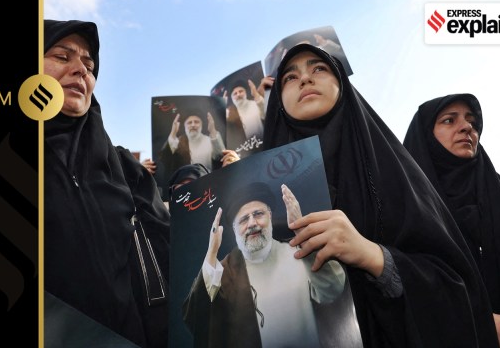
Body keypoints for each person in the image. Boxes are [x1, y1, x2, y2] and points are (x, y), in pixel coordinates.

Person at [262, 43, 499, 347]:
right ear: (278, 100)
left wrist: (372, 256)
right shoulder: (266, 195)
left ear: (342, 84)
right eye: (290, 78)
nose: (305, 79)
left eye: (318, 68)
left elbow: (457, 289)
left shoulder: (394, 172)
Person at [43, 19, 170, 348]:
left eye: (89, 65)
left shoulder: (126, 168)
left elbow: (172, 245)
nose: (80, 71)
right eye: (61, 56)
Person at [403, 93, 500, 347]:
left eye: (472, 122)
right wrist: (483, 327)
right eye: (448, 120)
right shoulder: (403, 208)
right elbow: (401, 282)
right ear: (424, 136)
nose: (467, 127)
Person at [182, 181, 350, 348]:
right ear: (234, 230)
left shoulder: (299, 253)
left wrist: (302, 234)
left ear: (270, 216)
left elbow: (333, 290)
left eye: (258, 214)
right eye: (243, 220)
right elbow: (197, 319)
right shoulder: (226, 273)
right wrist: (212, 252)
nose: (252, 223)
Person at [160, 109, 225, 173]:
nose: (193, 125)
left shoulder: (210, 140)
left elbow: (220, 157)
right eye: (189, 123)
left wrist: (212, 130)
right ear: (185, 126)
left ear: (201, 125)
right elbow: (164, 158)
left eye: (196, 122)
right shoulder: (178, 142)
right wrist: (173, 133)